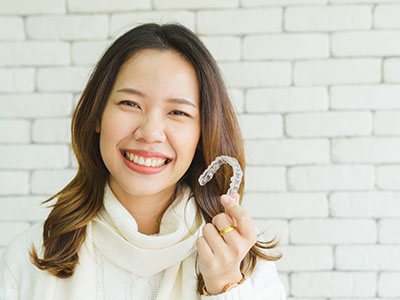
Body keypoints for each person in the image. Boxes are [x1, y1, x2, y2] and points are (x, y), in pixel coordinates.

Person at [0, 23, 285, 300]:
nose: (149, 132)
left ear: (202, 133)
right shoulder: (29, 256)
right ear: (97, 114)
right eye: (130, 104)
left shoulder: (243, 262)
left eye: (178, 112)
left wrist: (225, 286)